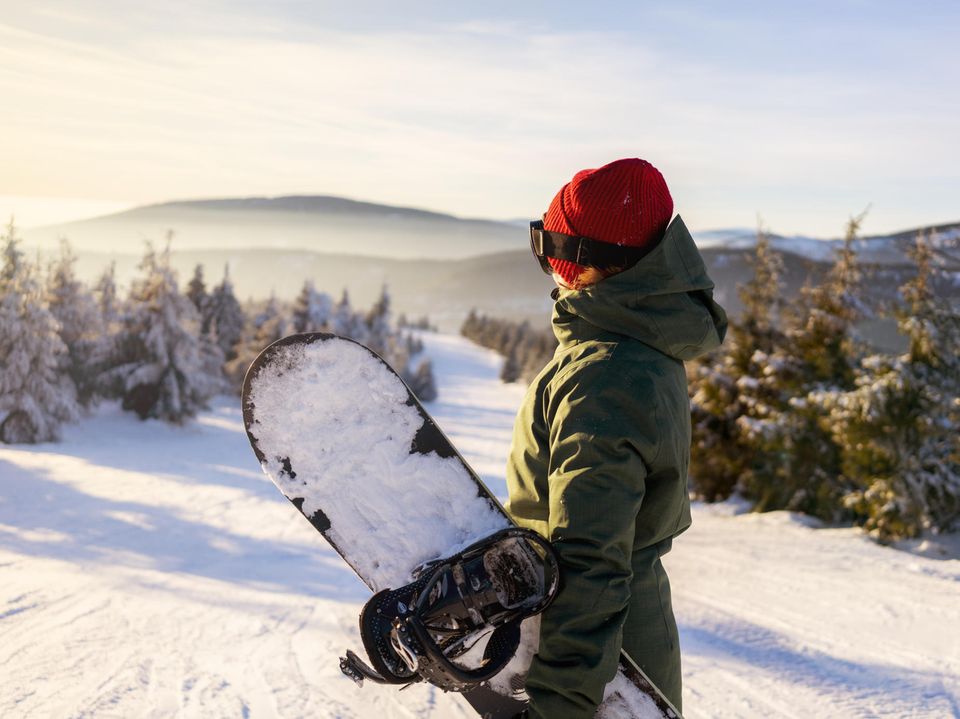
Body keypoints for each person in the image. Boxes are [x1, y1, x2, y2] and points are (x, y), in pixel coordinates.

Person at [505, 158, 727, 718]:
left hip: (603, 667)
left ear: (585, 263)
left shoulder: (605, 376)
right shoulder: (633, 344)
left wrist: (559, 705)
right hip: (611, 643)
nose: (548, 268)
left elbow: (590, 557)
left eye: (549, 248)